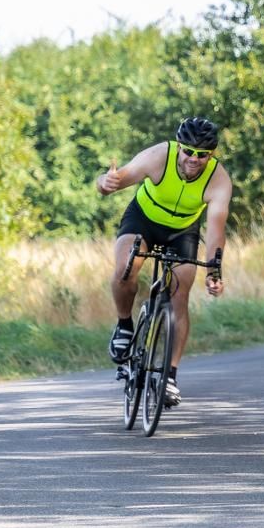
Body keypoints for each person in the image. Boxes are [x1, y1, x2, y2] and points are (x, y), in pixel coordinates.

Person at [95, 116, 232, 406]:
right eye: (188, 151)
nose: (193, 159)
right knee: (125, 268)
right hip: (143, 218)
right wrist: (104, 183)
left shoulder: (218, 180)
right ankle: (124, 326)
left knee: (180, 294)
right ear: (179, 147)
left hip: (183, 230)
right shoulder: (160, 156)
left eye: (202, 155)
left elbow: (216, 227)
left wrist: (214, 271)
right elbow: (117, 180)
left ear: (212, 155)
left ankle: (169, 376)